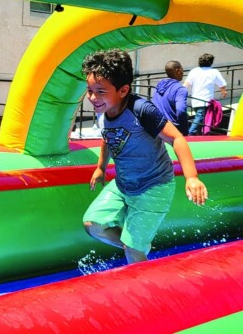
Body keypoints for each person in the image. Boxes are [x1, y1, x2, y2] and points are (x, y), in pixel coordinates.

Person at [81, 49, 208, 264]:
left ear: (123, 90)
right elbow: (108, 137)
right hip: (124, 185)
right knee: (93, 225)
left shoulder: (141, 110)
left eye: (100, 91)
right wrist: (101, 167)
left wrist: (192, 177)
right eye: (90, 90)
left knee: (133, 249)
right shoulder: (105, 110)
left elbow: (177, 138)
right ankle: (132, 245)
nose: (93, 98)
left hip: (154, 186)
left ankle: (142, 277)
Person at [183, 53, 227, 135]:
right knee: (200, 118)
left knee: (201, 120)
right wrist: (223, 92)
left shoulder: (194, 71)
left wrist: (180, 93)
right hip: (206, 100)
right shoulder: (214, 71)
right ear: (211, 62)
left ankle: (199, 136)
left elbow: (186, 84)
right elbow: (222, 84)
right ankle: (190, 134)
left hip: (195, 100)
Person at [152, 60, 188, 135]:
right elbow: (180, 110)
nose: (183, 72)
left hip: (156, 128)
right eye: (182, 69)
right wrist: (184, 131)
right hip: (172, 130)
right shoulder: (180, 89)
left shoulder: (159, 85)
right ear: (177, 70)